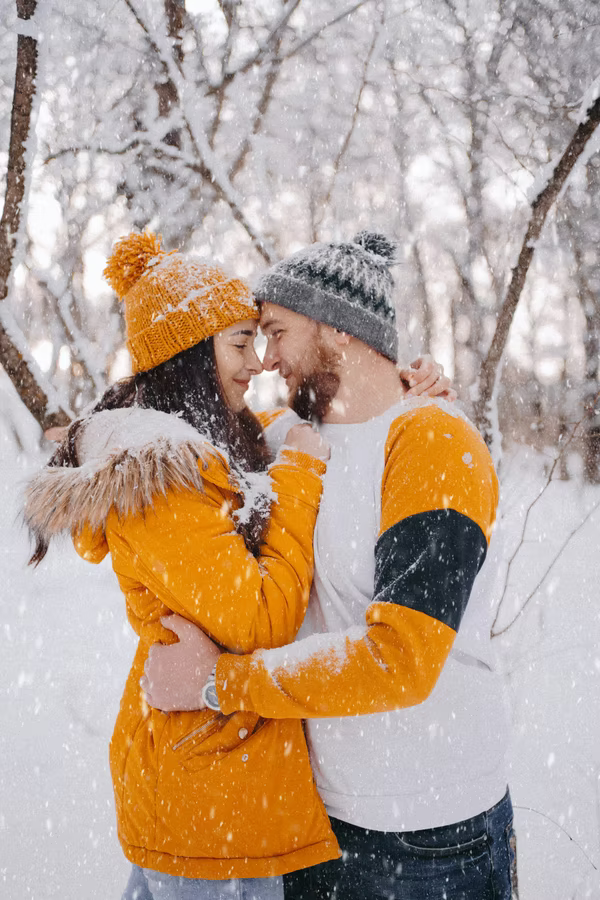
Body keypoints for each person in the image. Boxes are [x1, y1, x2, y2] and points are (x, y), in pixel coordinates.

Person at [143, 232, 517, 900]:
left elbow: (401, 658)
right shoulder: (295, 437)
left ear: (338, 331)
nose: (266, 359)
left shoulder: (431, 441)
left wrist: (217, 684)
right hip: (318, 822)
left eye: (277, 332)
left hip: (429, 836)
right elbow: (175, 415)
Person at [24, 232, 341, 900]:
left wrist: (388, 391)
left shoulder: (195, 452)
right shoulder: (164, 482)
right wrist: (305, 470)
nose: (256, 364)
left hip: (206, 785)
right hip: (209, 804)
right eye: (238, 343)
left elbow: (271, 439)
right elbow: (263, 618)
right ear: (189, 354)